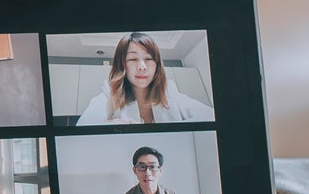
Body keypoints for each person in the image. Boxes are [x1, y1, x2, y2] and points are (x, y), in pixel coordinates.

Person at [77, 33, 215, 126]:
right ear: (122, 64)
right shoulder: (109, 92)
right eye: (133, 59)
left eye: (149, 59)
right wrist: (110, 126)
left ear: (157, 65)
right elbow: (83, 124)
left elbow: (211, 116)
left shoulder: (169, 92)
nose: (142, 67)